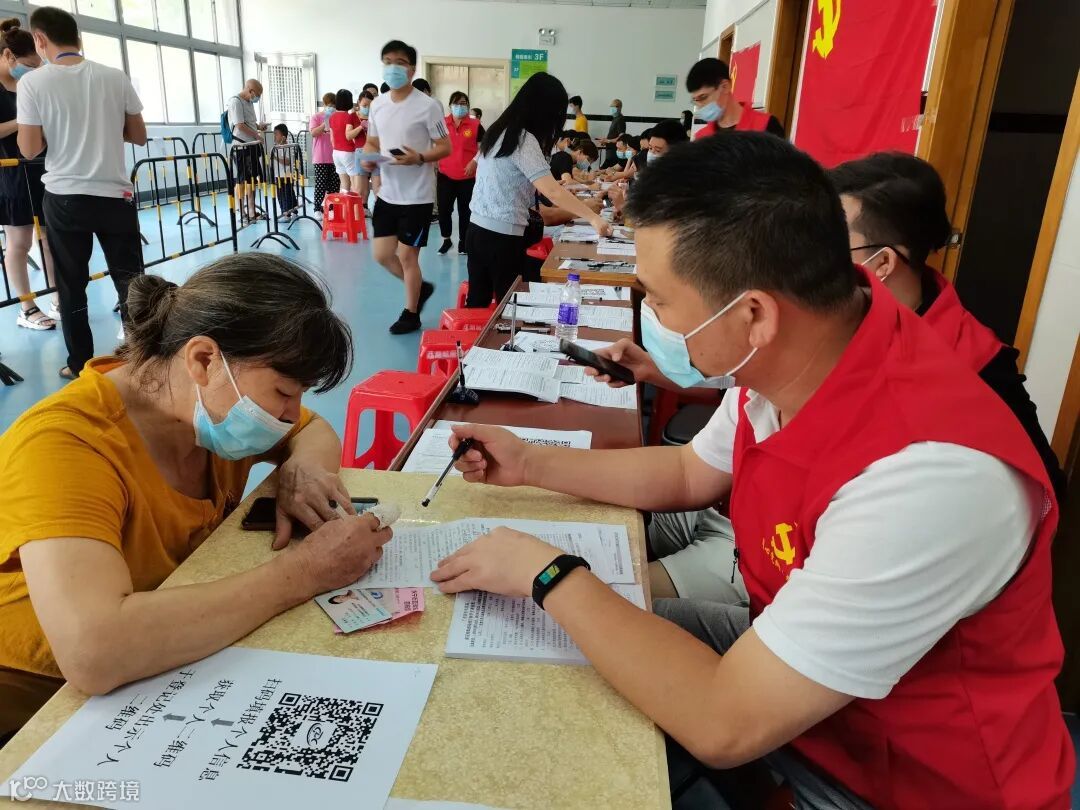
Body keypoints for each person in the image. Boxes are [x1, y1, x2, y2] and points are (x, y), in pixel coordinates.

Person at [432, 134, 1071, 807]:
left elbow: (726, 722)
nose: (652, 318)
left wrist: (547, 572)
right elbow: (688, 473)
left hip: (899, 777)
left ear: (753, 314)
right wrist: (529, 462)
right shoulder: (805, 348)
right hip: (801, 686)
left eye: (659, 300)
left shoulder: (931, 477)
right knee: (558, 640)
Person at [0, 254, 393, 745]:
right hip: (37, 707)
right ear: (204, 360)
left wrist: (305, 469)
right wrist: (308, 571)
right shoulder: (66, 445)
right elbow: (95, 651)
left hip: (158, 669)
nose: (291, 415)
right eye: (283, 392)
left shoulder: (203, 412)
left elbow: (314, 431)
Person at [830, 151, 1067, 500]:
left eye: (832, 243)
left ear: (882, 263)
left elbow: (1045, 483)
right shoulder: (836, 320)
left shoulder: (976, 362)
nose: (814, 256)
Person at [17, 6, 146, 381]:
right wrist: (104, 128)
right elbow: (138, 135)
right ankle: (141, 357)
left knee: (72, 286)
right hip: (115, 196)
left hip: (65, 198)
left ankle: (79, 364)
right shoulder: (114, 76)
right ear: (77, 37)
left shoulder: (33, 83)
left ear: (40, 39)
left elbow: (29, 149)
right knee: (130, 282)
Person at [465, 72, 612, 307]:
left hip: (476, 228)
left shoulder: (498, 130)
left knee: (478, 302)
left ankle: (475, 331)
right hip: (502, 236)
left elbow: (508, 179)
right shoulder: (522, 139)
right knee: (509, 306)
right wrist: (593, 218)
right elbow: (553, 191)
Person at [360, 39, 450, 335]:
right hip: (388, 194)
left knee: (407, 256)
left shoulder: (428, 106)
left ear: (411, 69)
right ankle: (420, 288)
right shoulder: (378, 104)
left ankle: (411, 313)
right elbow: (372, 141)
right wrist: (368, 158)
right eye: (387, 62)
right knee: (381, 254)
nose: (393, 68)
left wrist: (419, 157)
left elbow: (445, 146)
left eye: (399, 63)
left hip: (417, 197)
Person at [0, 18, 56, 331]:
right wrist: (24, 121)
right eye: (29, 65)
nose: (33, 71)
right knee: (18, 241)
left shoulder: (28, 85)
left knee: (49, 238)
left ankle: (58, 297)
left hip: (40, 168)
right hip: (10, 174)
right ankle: (27, 307)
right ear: (9, 56)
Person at [686, 57, 783, 138]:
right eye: (696, 100)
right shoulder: (702, 137)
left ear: (725, 86)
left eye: (703, 97)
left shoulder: (765, 125)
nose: (700, 106)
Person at [436, 91, 480, 255]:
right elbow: (434, 143)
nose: (460, 106)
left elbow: (484, 147)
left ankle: (463, 242)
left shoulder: (475, 124)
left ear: (468, 106)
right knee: (444, 210)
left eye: (463, 103)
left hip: (467, 176)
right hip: (445, 175)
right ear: (450, 106)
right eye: (457, 103)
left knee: (465, 211)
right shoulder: (442, 123)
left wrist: (474, 161)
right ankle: (446, 240)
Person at [226, 78, 268, 222]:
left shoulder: (248, 102)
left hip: (252, 146)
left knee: (252, 179)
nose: (257, 98)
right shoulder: (235, 102)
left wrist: (259, 127)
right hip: (241, 147)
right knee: (242, 180)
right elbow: (240, 125)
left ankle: (251, 210)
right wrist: (256, 135)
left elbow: (249, 123)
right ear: (250, 91)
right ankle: (241, 211)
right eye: (257, 95)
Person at [328, 88, 363, 196]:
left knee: (344, 186)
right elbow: (353, 136)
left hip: (336, 153)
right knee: (355, 185)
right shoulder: (349, 116)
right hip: (348, 152)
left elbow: (332, 138)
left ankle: (342, 206)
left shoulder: (332, 117)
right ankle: (355, 206)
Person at [308, 92, 339, 210]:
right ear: (324, 105)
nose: (332, 108)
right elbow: (313, 133)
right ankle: (317, 208)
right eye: (330, 105)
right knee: (320, 184)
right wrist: (325, 121)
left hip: (335, 156)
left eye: (334, 106)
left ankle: (332, 208)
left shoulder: (337, 117)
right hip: (320, 156)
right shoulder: (316, 117)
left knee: (334, 185)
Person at [353, 91, 378, 209]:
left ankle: (378, 211)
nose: (367, 108)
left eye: (370, 105)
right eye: (364, 105)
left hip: (376, 153)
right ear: (359, 102)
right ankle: (362, 210)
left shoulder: (377, 116)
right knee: (360, 189)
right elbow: (348, 135)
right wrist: (361, 126)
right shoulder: (353, 116)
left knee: (378, 187)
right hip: (360, 152)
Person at [271, 124, 297, 219]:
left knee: (285, 195)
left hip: (286, 176)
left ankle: (286, 214)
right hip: (278, 175)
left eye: (276, 134)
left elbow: (287, 161)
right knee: (286, 194)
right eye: (274, 134)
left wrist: (275, 157)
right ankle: (293, 210)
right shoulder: (276, 147)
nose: (274, 136)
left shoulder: (287, 147)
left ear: (283, 137)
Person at [598, 98, 626, 168]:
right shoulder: (615, 118)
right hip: (610, 151)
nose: (612, 108)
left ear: (619, 107)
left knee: (604, 170)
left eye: (614, 107)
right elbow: (613, 135)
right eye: (611, 107)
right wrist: (605, 140)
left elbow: (621, 137)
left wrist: (608, 140)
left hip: (614, 152)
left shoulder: (620, 119)